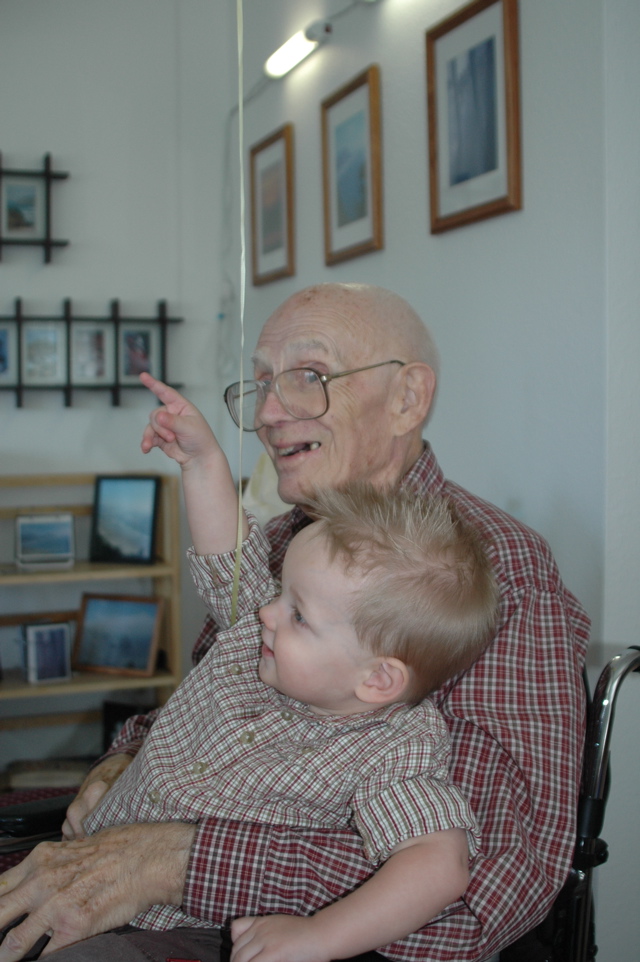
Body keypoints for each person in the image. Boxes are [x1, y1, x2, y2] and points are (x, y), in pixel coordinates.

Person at [0, 283, 590, 962]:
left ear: (407, 398)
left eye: (309, 376)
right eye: (260, 383)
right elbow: (215, 696)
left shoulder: (493, 571)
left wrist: (177, 859)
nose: (270, 413)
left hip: (257, 931)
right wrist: (124, 763)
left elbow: (488, 887)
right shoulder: (283, 542)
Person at [79, 396, 500, 959]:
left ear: (378, 680)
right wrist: (201, 461)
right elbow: (225, 551)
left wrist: (318, 937)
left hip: (187, 925)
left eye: (298, 613)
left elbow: (438, 863)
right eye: (281, 593)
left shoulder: (393, 749)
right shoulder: (262, 640)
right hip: (90, 861)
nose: (265, 612)